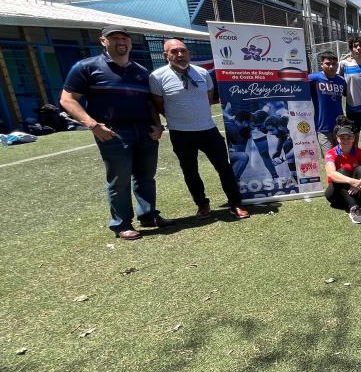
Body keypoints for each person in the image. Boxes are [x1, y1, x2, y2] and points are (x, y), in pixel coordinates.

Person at [60, 25, 171, 240]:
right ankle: (121, 224)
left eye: (124, 38)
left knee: (146, 177)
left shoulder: (140, 71)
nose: (121, 42)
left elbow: (149, 102)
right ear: (103, 41)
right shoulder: (86, 67)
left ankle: (148, 215)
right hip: (113, 131)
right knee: (119, 180)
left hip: (145, 130)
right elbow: (67, 99)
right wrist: (92, 124)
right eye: (115, 38)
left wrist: (157, 125)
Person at [149, 38, 250, 220]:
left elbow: (208, 99)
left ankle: (235, 203)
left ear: (189, 53)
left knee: (224, 168)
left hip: (208, 129)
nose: (180, 54)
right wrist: (179, 118)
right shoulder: (157, 77)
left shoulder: (203, 73)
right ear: (166, 55)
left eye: (183, 50)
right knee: (190, 171)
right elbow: (158, 105)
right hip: (180, 133)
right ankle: (202, 205)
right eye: (174, 51)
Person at [323, 124, 361, 224]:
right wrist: (351, 181)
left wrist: (360, 182)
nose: (346, 140)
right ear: (337, 139)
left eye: (349, 137)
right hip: (337, 195)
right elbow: (331, 174)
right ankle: (353, 208)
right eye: (342, 138)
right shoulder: (331, 153)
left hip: (356, 190)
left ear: (353, 138)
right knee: (342, 171)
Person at [308, 50, 347, 154]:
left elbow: (347, 94)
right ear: (321, 64)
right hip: (323, 127)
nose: (331, 67)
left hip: (340, 126)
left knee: (341, 157)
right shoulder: (314, 78)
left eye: (334, 64)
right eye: (327, 64)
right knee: (329, 158)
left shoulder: (341, 80)